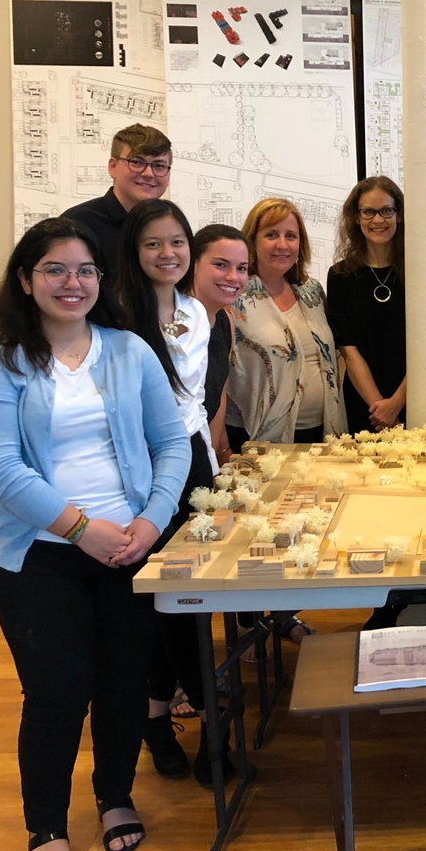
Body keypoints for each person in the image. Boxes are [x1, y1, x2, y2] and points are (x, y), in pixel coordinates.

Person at [0, 218, 189, 851]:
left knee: (123, 683)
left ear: (101, 279)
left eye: (85, 270)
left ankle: (115, 794)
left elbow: (171, 443)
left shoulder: (127, 351)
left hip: (130, 548)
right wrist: (82, 528)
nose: (72, 282)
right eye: (55, 270)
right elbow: (0, 470)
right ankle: (46, 825)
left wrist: (150, 523)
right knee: (58, 694)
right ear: (27, 280)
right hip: (41, 555)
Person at [115, 199, 235, 787]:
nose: (168, 254)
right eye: (153, 244)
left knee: (188, 596)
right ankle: (202, 727)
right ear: (134, 253)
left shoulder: (195, 311)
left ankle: (162, 719)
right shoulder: (116, 318)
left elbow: (196, 405)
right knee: (167, 602)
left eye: (176, 243)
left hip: (193, 465)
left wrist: (210, 469)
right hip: (141, 473)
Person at [226, 198, 347, 447]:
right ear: (252, 241)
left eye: (291, 236)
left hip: (322, 433)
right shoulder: (235, 296)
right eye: (271, 235)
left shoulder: (311, 291)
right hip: (254, 437)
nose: (282, 245)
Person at [327, 176, 407, 431]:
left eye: (386, 211)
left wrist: (395, 404)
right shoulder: (340, 276)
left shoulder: (419, 272)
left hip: (416, 396)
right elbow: (349, 350)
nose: (377, 220)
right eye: (368, 212)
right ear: (356, 217)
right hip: (365, 404)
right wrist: (380, 409)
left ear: (399, 215)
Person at [62, 123, 172, 270]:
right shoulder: (76, 225)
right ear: (113, 167)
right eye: (136, 162)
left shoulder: (171, 226)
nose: (148, 173)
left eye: (159, 165)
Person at [190, 224, 251, 467]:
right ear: (192, 264)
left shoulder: (226, 321)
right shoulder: (176, 323)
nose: (233, 277)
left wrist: (216, 456)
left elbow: (217, 396)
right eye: (220, 265)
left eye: (242, 268)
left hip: (202, 457)